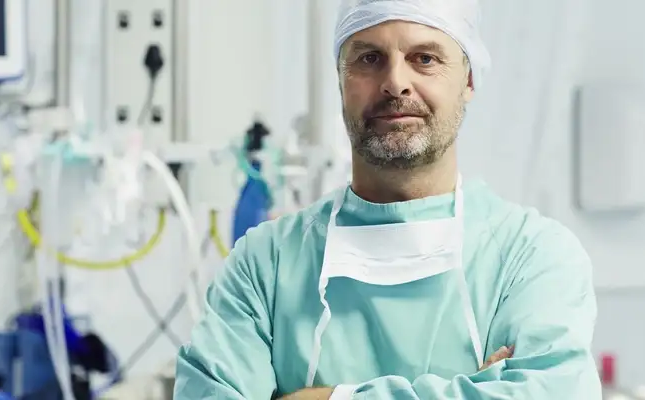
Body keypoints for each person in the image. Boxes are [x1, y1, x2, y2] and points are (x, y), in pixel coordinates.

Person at [174, 0, 602, 398]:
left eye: (425, 58)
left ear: (468, 79)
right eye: (368, 58)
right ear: (340, 80)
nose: (395, 82)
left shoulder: (531, 259)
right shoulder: (264, 266)